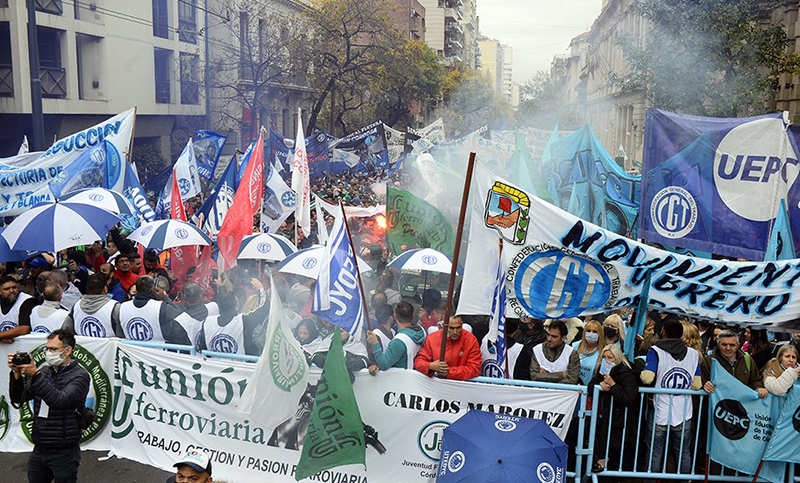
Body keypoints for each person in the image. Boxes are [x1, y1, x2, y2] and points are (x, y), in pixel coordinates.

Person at [8, 329, 90, 483]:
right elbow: (19, 398)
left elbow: (59, 401)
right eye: (47, 348)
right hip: (40, 446)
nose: (49, 352)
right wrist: (17, 375)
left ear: (68, 351)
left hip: (64, 450)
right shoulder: (45, 371)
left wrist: (36, 375)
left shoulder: (80, 376)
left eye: (53, 349)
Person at [640, 316, 701, 483]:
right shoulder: (693, 354)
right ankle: (684, 480)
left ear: (663, 332)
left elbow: (647, 377)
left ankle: (651, 481)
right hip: (683, 411)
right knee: (683, 451)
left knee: (655, 451)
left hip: (660, 408)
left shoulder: (655, 350)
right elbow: (697, 384)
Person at [589, 344, 638, 472]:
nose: (606, 360)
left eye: (610, 357)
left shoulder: (627, 374)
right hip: (606, 417)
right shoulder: (602, 370)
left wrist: (613, 385)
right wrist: (598, 385)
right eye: (604, 357)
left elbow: (628, 398)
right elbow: (590, 386)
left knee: (619, 453)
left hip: (622, 420)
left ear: (617, 358)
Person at [198, 280, 268, 356]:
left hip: (215, 366)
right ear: (236, 307)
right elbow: (263, 309)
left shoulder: (208, 322)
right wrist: (261, 288)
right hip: (240, 366)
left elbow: (202, 347)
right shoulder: (243, 321)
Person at [119, 276, 189, 344]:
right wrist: (165, 297)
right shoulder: (161, 307)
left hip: (132, 353)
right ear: (153, 289)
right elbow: (180, 314)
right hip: (156, 353)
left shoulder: (122, 306)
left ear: (136, 289)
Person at [414, 315, 481, 380]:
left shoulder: (471, 340)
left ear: (462, 325)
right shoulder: (431, 339)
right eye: (451, 328)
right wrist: (430, 366)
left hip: (461, 386)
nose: (455, 332)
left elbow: (475, 369)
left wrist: (448, 372)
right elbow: (418, 362)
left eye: (458, 328)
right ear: (443, 326)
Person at [700, 329, 765, 395]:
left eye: (732, 345)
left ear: (738, 345)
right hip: (718, 403)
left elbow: (755, 381)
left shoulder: (747, 359)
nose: (728, 348)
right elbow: (700, 382)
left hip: (741, 403)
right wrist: (704, 385)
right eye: (724, 344)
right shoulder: (708, 361)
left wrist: (759, 388)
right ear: (718, 344)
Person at [368, 301, 425, 373]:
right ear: (413, 316)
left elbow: (384, 365)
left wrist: (375, 343)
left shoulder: (399, 341)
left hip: (401, 380)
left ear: (395, 316)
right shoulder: (421, 331)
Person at [62, 273, 123, 338]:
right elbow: (123, 337)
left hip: (83, 347)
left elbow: (64, 333)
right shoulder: (115, 307)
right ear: (105, 289)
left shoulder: (76, 306)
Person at [530, 319, 581, 385]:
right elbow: (534, 377)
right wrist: (561, 375)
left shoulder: (572, 354)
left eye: (554, 336)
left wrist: (544, 376)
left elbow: (572, 380)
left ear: (563, 338)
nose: (549, 339)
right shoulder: (537, 350)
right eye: (548, 335)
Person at [0, 275, 39, 343]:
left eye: (14, 287)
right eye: (7, 289)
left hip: (23, 346)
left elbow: (24, 328)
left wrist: (1, 335)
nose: (11, 291)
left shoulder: (27, 301)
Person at [175, 283, 211, 350]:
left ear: (184, 297)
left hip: (191, 358)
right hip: (208, 357)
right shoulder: (213, 308)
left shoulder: (181, 320)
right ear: (200, 295)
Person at [572, 320, 605, 386]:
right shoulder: (575, 346)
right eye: (588, 331)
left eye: (595, 332)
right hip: (573, 388)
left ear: (599, 334)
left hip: (589, 391)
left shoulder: (603, 352)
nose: (591, 334)